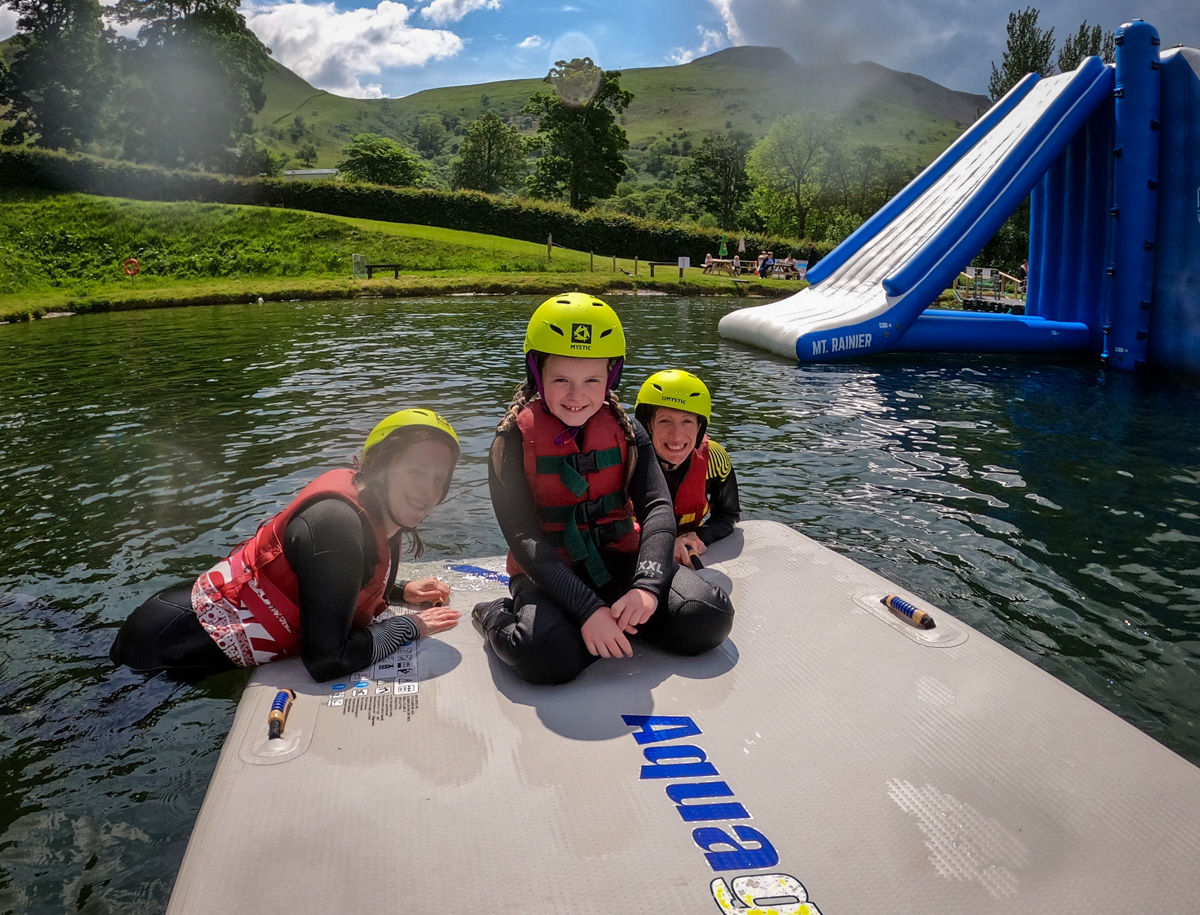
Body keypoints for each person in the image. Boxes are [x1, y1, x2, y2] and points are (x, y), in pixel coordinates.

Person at [474, 293, 735, 685]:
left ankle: (619, 618)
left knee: (708, 618)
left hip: (619, 560)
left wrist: (647, 587)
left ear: (610, 377)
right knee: (544, 657)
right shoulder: (510, 441)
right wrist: (586, 609)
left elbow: (657, 508)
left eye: (592, 381)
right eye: (561, 380)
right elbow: (524, 537)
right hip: (550, 571)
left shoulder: (629, 431)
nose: (577, 396)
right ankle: (494, 613)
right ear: (537, 373)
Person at [109, 409, 463, 682]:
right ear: (380, 467)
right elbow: (326, 660)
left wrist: (400, 591)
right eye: (416, 472)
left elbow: (331, 581)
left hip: (174, 627)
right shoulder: (335, 523)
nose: (429, 491)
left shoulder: (379, 511)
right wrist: (411, 626)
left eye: (439, 479)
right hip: (160, 651)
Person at [633, 370, 740, 568]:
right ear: (647, 425)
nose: (676, 435)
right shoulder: (623, 461)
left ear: (700, 428)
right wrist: (662, 545)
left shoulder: (714, 459)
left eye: (687, 421)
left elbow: (728, 515)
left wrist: (699, 536)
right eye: (665, 421)